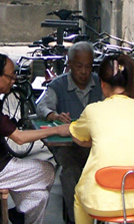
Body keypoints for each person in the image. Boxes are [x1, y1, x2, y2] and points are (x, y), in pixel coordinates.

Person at [0, 53, 70, 224]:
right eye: (10, 76)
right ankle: (19, 214)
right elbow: (19, 138)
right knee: (47, 170)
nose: (14, 80)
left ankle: (19, 215)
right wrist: (57, 131)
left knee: (39, 195)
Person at [68, 54, 134, 224]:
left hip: (101, 202)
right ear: (130, 83)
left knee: (79, 195)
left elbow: (78, 138)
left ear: (102, 84)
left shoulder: (92, 111)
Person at [35, 41, 104, 224]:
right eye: (79, 66)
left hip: (96, 146)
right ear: (70, 64)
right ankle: (76, 220)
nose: (84, 72)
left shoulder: (100, 84)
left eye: (88, 66)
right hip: (68, 147)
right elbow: (41, 106)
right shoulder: (58, 85)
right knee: (71, 172)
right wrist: (54, 115)